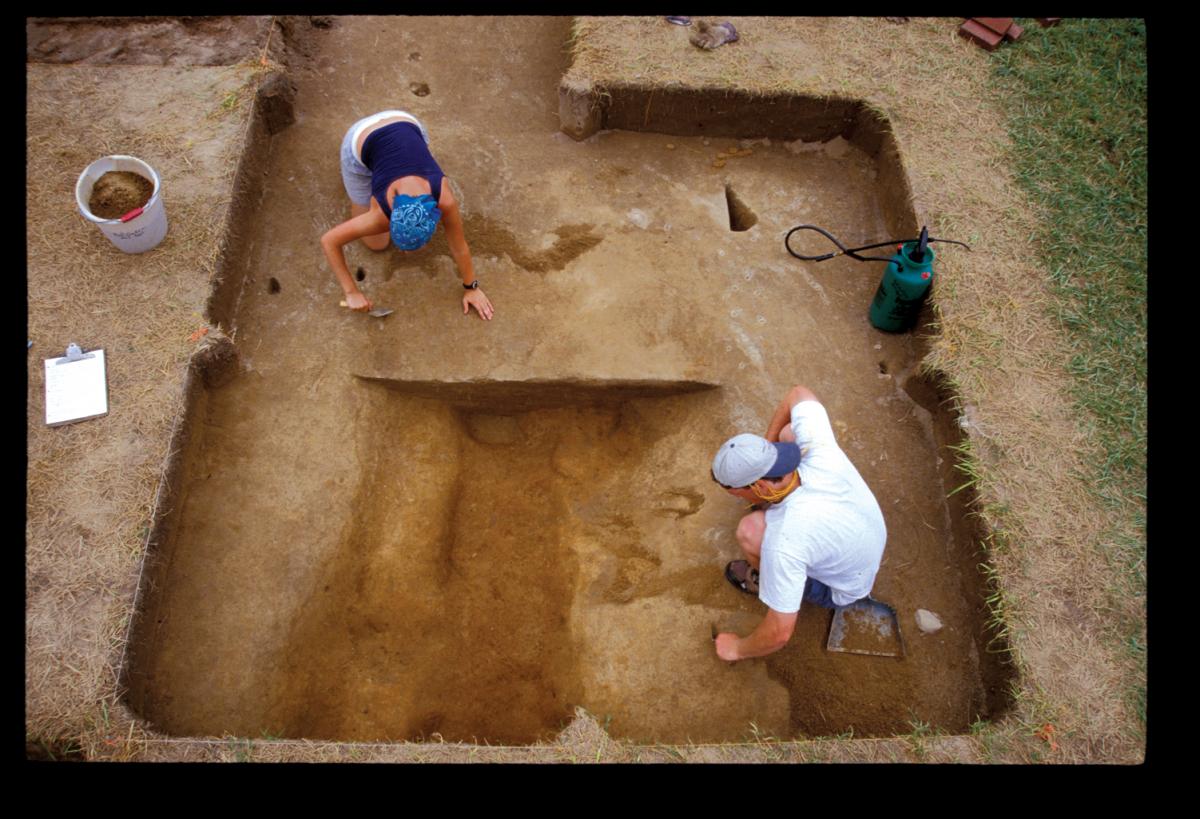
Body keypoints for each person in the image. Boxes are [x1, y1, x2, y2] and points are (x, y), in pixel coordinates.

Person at [709, 384, 887, 662]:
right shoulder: (817, 448)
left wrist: (735, 649)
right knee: (790, 432)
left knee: (750, 531)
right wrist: (766, 450)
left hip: (840, 589)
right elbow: (799, 394)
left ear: (760, 488)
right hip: (861, 538)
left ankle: (764, 581)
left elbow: (780, 632)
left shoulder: (786, 539)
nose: (732, 494)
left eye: (733, 489)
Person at [320, 109, 494, 320]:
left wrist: (472, 287)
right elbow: (329, 241)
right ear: (390, 218)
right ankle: (366, 178)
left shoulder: (445, 200)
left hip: (408, 123)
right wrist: (351, 292)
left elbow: (460, 246)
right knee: (376, 243)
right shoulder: (379, 214)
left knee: (380, 237)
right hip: (360, 138)